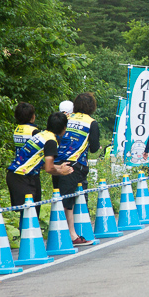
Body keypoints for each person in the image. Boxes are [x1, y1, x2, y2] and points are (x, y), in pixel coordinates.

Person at [6, 111, 74, 230]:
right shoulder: (51, 141)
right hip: (22, 177)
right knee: (29, 213)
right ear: (64, 128)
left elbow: (41, 164)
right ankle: (28, 243)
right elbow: (49, 168)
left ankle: (28, 241)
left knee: (29, 212)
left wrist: (59, 167)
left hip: (16, 175)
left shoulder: (42, 135)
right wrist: (61, 172)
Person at [52, 92, 101, 246]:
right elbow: (93, 148)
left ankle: (62, 233)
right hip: (74, 164)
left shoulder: (66, 119)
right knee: (69, 200)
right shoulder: (92, 123)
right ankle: (72, 235)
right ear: (92, 106)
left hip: (57, 163)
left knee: (59, 198)